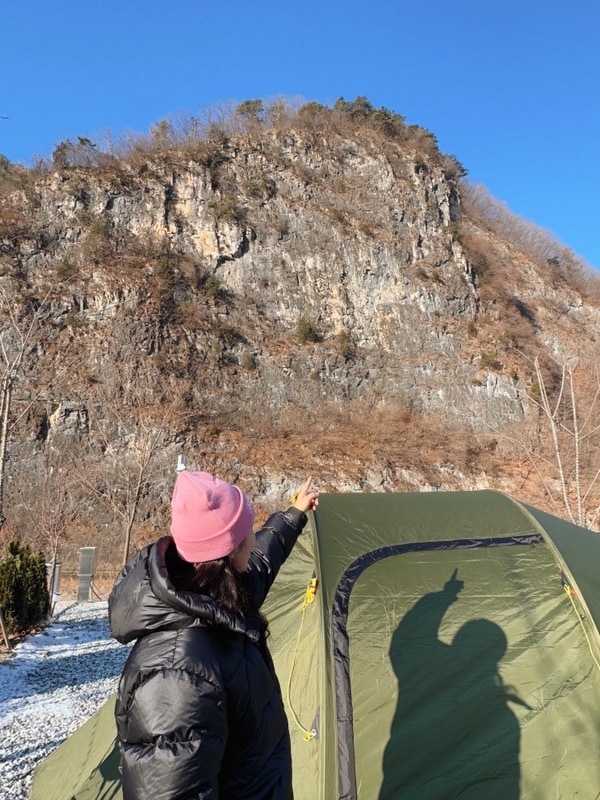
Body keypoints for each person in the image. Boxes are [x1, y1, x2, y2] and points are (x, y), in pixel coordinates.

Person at [108, 471, 319, 800]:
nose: (253, 531)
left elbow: (261, 562)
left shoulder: (214, 594)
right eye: (248, 526)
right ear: (231, 549)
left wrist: (293, 515)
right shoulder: (177, 673)